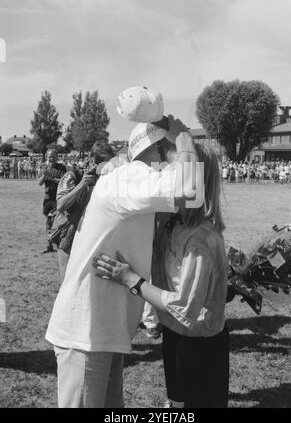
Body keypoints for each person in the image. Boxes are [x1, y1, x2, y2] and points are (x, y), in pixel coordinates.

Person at [46, 87, 203, 408]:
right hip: (87, 332)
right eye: (171, 152)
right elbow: (191, 191)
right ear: (159, 150)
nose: (177, 159)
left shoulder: (129, 178)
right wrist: (184, 138)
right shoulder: (131, 177)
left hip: (99, 328)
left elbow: (188, 190)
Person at [94, 144, 229, 408]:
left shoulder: (200, 238)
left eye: (172, 171)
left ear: (192, 181)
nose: (163, 176)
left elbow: (185, 307)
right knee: (177, 403)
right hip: (175, 335)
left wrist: (131, 280)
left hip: (200, 344)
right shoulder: (171, 225)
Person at [54, 144, 114, 282]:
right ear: (93, 161)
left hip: (93, 244)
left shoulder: (110, 180)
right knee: (68, 285)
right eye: (104, 163)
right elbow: (61, 205)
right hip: (69, 241)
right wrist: (83, 184)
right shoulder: (73, 175)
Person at [39, 149, 66, 253]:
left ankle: (60, 244)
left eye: (53, 156)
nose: (51, 159)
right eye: (49, 157)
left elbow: (63, 181)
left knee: (58, 221)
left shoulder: (61, 168)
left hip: (57, 199)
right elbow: (40, 183)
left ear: (57, 157)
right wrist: (44, 175)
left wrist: (51, 177)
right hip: (47, 199)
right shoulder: (45, 168)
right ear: (47, 157)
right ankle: (50, 245)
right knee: (49, 222)